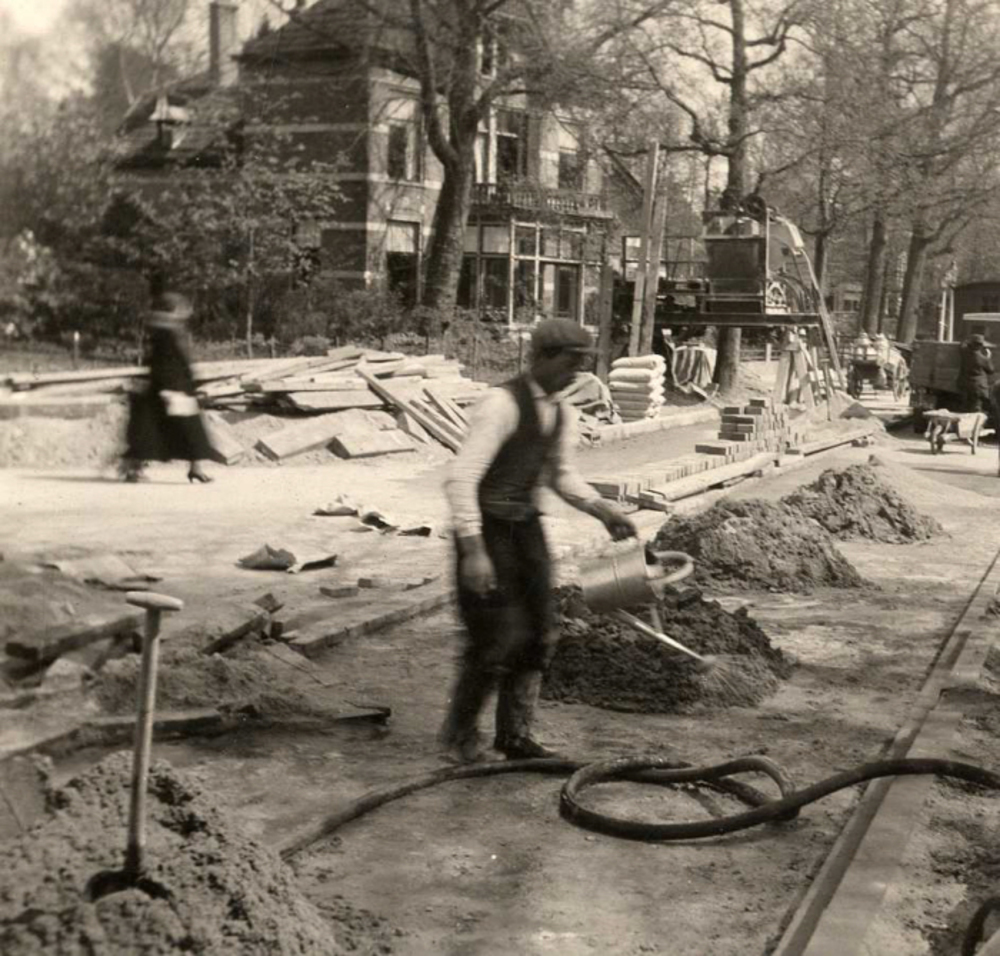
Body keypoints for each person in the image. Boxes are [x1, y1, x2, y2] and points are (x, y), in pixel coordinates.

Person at [440, 318, 638, 763]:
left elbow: (560, 475)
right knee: (495, 636)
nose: (576, 373)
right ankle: (460, 737)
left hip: (526, 528)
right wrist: (473, 552)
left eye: (583, 363)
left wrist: (603, 511)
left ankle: (515, 737)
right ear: (543, 357)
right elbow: (461, 478)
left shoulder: (562, 412)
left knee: (539, 632)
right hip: (487, 530)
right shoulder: (501, 404)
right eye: (571, 362)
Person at [121, 290, 216, 483]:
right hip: (169, 388)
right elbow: (162, 363)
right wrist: (169, 387)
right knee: (154, 431)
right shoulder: (164, 332)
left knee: (189, 429)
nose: (186, 312)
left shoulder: (172, 330)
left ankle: (195, 468)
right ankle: (133, 470)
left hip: (176, 386)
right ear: (173, 310)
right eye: (181, 309)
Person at [959, 333, 994, 413]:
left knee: (966, 407)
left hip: (965, 384)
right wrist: (988, 358)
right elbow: (991, 371)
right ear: (981, 346)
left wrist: (967, 341)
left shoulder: (964, 352)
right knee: (976, 408)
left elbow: (962, 344)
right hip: (979, 387)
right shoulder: (983, 359)